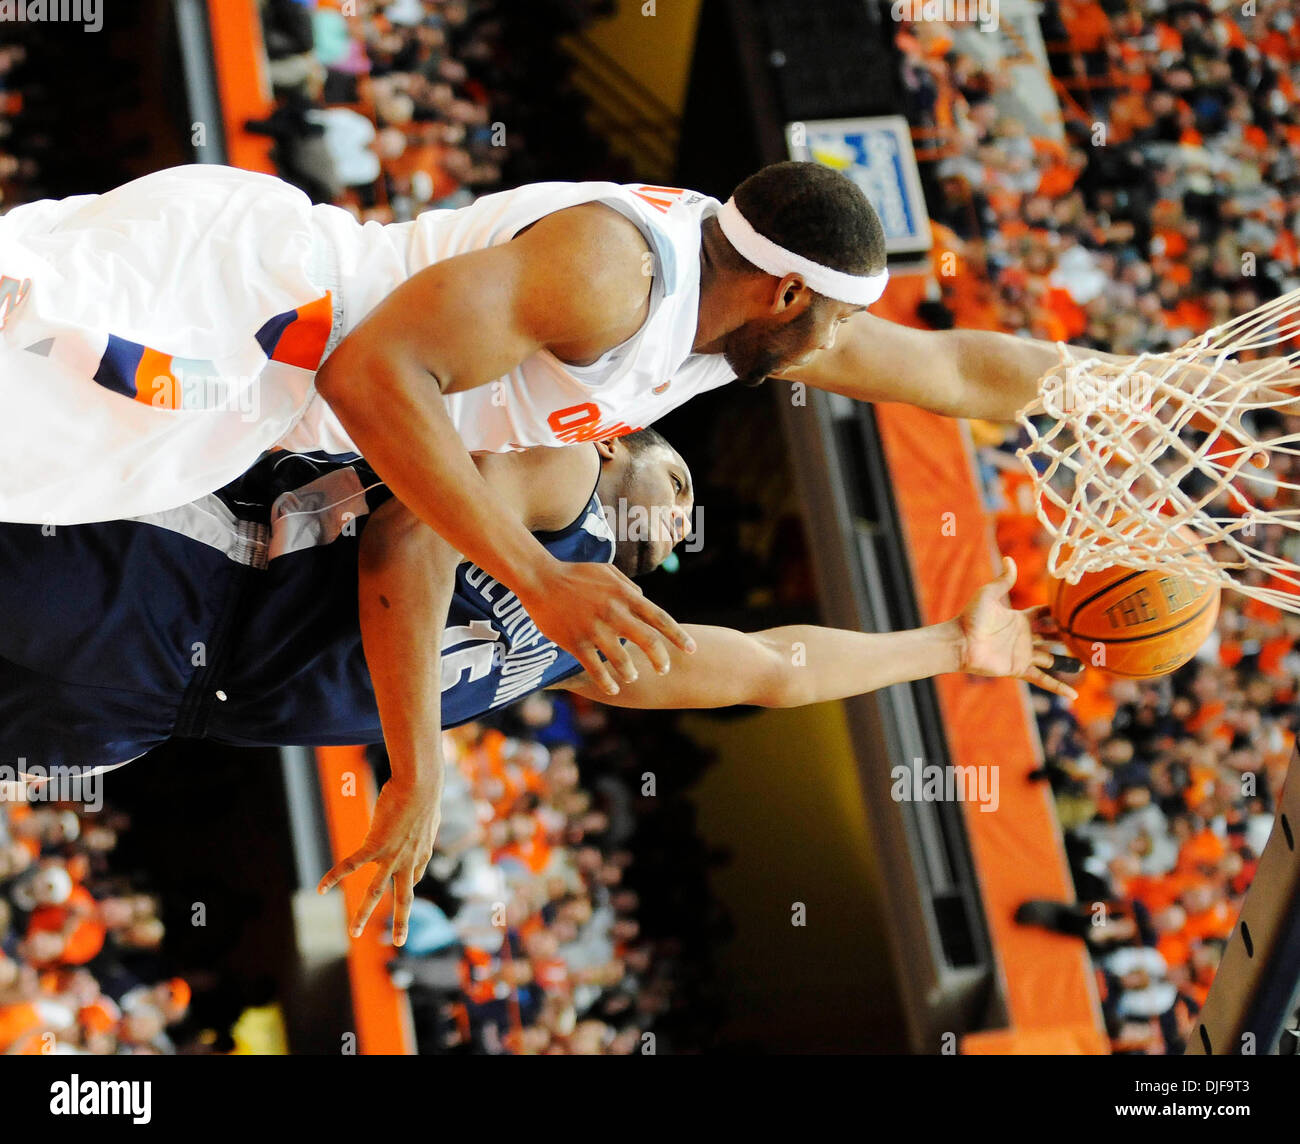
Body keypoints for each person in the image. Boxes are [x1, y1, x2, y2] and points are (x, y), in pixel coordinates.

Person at [0, 160, 1183, 712]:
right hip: (242, 322)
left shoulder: (739, 322)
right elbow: (372, 374)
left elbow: (956, 367)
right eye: (834, 323)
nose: (842, 347)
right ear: (788, 297)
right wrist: (536, 580)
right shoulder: (616, 275)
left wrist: (1156, 398)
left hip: (255, 383)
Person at [0, 429, 1076, 941]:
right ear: (621, 440)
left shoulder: (586, 638)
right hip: (184, 579)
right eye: (683, 475)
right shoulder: (564, 484)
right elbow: (404, 547)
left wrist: (945, 647)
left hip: (154, 713)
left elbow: (767, 668)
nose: (683, 507)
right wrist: (418, 774)